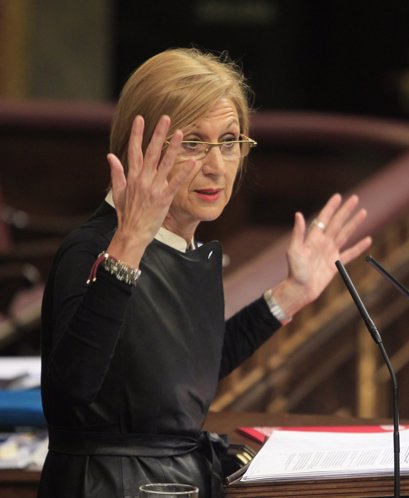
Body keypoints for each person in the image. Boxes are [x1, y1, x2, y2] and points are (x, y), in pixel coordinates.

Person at [38, 47, 372, 498]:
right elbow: (68, 395)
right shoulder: (93, 248)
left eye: (230, 141)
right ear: (140, 149)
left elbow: (181, 374)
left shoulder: (185, 244)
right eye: (192, 143)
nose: (216, 165)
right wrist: (130, 242)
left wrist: (291, 294)